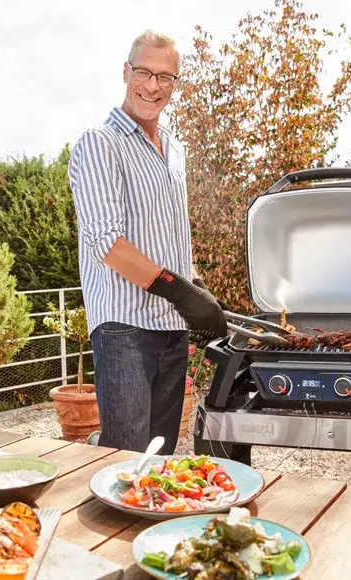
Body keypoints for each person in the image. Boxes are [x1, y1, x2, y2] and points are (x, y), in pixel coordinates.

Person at [68, 30, 227, 454]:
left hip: (171, 326)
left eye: (165, 76)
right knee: (127, 456)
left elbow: (172, 234)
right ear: (126, 72)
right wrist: (180, 292)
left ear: (176, 83)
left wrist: (196, 288)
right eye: (143, 72)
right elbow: (106, 241)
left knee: (160, 454)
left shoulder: (175, 150)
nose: (153, 86)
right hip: (125, 326)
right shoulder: (100, 144)